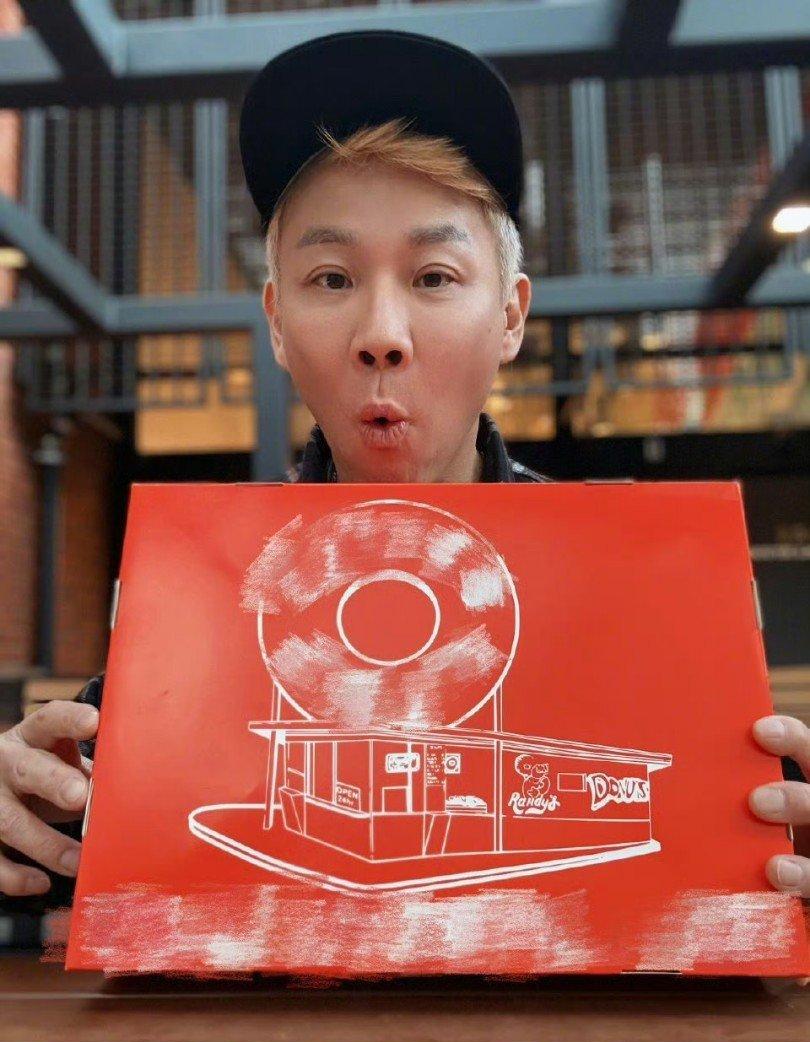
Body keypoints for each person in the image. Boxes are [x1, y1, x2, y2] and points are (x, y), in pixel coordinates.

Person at [0, 30, 807, 915]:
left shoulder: (641, 591)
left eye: (433, 276)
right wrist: (21, 819)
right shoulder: (196, 606)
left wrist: (781, 846)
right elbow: (85, 861)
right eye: (331, 278)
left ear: (510, 317)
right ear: (277, 323)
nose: (381, 333)